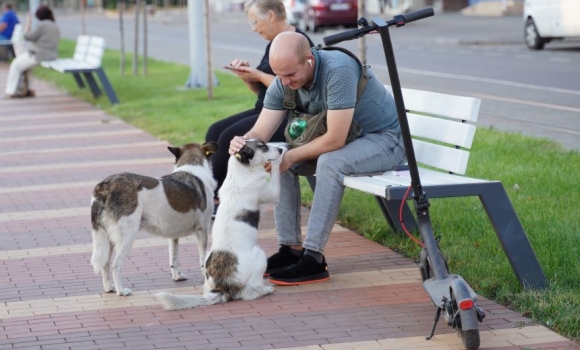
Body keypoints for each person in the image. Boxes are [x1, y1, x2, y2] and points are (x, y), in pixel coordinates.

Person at [229, 32, 406, 285]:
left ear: (309, 60)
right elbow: (261, 131)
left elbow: (334, 139)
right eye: (279, 75)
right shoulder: (283, 79)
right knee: (279, 155)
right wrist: (244, 142)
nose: (284, 82)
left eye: (291, 75)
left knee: (328, 163)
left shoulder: (338, 70)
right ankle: (290, 249)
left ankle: (313, 258)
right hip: (350, 140)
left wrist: (289, 157)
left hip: (385, 139)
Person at [205, 0, 313, 216]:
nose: (254, 28)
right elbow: (262, 93)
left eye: (255, 21)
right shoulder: (272, 43)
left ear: (271, 15)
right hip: (265, 109)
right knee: (215, 131)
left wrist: (259, 75)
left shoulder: (297, 43)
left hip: (288, 114)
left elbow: (292, 88)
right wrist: (247, 77)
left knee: (229, 136)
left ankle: (218, 199)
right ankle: (208, 193)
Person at [4, 5, 59, 99]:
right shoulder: (54, 25)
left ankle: (10, 92)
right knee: (26, 66)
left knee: (15, 65)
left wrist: (28, 22)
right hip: (51, 55)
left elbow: (27, 36)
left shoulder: (42, 25)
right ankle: (30, 90)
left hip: (39, 55)